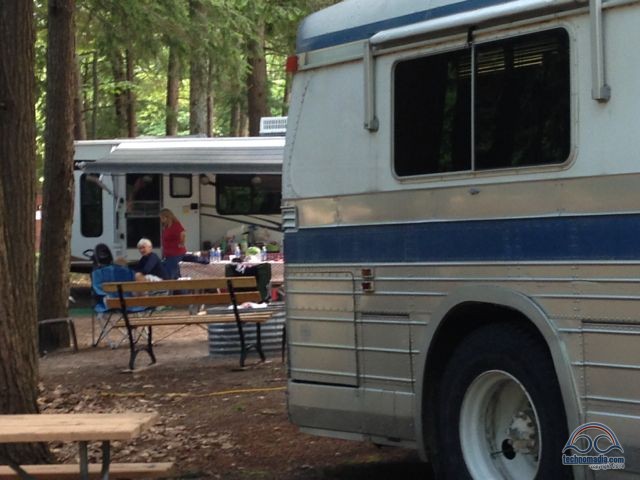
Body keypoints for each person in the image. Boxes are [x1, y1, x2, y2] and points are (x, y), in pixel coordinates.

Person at [160, 208, 186, 279]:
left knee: (170, 274)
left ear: (167, 217)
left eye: (162, 218)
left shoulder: (176, 225)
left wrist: (181, 243)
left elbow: (182, 233)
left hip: (175, 254)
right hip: (168, 254)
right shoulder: (166, 226)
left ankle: (171, 285)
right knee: (175, 274)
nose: (161, 220)